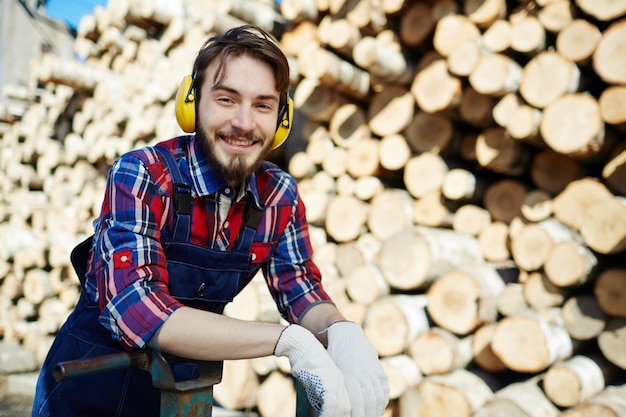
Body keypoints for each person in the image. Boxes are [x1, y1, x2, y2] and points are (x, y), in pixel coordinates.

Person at [32, 25, 389, 417]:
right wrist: (288, 340)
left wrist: (340, 331)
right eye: (226, 99)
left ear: (282, 120)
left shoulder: (279, 196)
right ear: (192, 103)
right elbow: (141, 311)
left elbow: (301, 292)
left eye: (263, 105)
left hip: (181, 397)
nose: (244, 122)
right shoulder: (143, 174)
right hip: (87, 393)